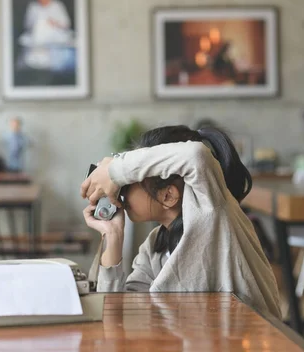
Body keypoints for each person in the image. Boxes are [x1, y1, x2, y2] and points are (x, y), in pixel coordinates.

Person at [80, 125, 281, 318]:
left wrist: (115, 170)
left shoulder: (213, 211)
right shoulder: (154, 247)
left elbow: (197, 155)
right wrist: (113, 236)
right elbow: (117, 314)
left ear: (168, 195)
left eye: (128, 181)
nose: (119, 191)